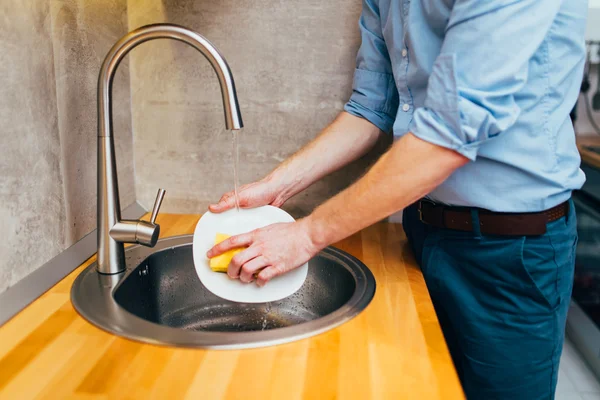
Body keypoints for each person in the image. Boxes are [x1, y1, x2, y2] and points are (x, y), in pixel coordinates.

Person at [206, 0, 586, 398]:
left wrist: (306, 235)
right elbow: (370, 108)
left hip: (511, 253)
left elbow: (447, 136)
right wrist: (276, 186)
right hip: (421, 235)